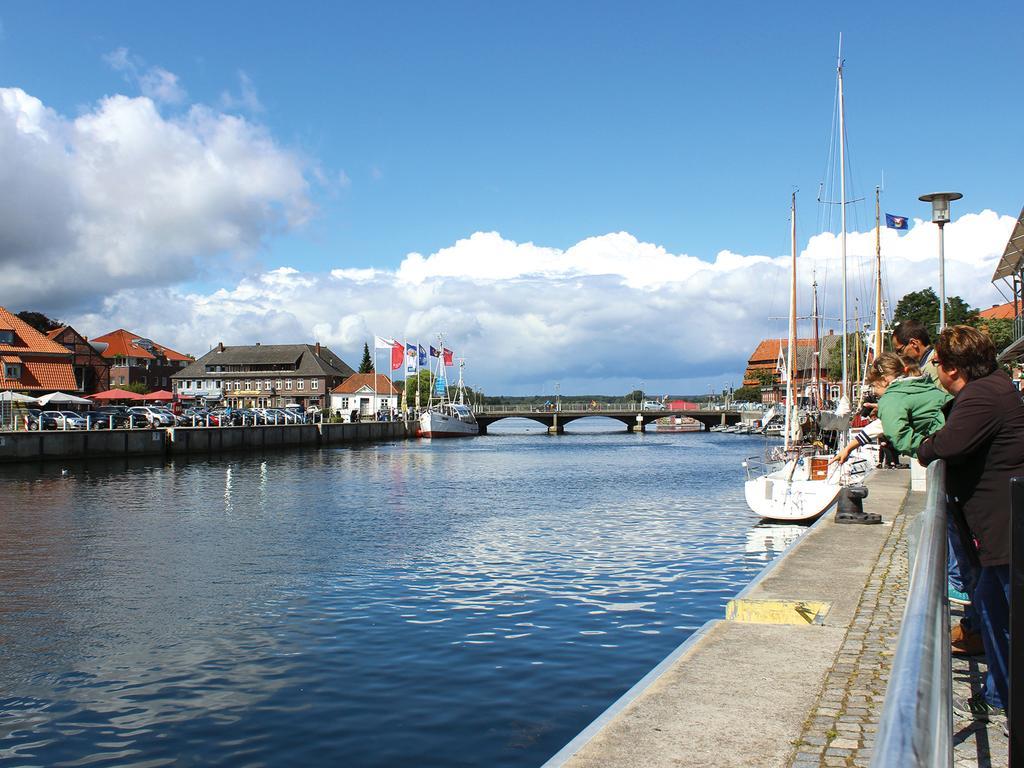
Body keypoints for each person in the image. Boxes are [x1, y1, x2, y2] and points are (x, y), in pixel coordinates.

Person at [917, 325, 1024, 723]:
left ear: (952, 368)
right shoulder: (994, 388)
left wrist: (925, 446)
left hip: (1005, 525)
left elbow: (946, 445)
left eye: (938, 366)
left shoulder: (980, 396)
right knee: (994, 610)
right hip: (997, 527)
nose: (937, 374)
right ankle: (1000, 695)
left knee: (1008, 613)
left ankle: (1007, 700)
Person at [832, 352, 949, 465]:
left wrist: (925, 451)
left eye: (873, 385)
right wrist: (849, 448)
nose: (874, 392)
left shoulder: (891, 398)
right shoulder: (924, 387)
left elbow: (898, 435)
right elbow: (881, 425)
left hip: (943, 448)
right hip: (957, 435)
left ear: (884, 381)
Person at [892, 319, 939, 384]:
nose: (898, 355)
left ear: (914, 343)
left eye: (900, 350)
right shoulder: (931, 360)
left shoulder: (933, 367)